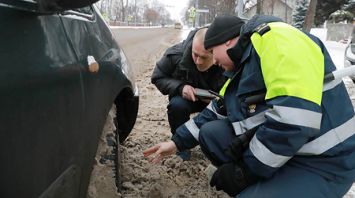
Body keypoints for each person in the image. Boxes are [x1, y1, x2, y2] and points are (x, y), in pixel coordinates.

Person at [144, 15, 355, 197]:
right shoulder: (246, 61)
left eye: (211, 51)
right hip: (292, 148)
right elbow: (217, 109)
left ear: (226, 42)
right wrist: (176, 143)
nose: (213, 62)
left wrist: (243, 173)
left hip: (324, 160)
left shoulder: (279, 40)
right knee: (211, 133)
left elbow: (293, 121)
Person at [151, 28, 227, 160]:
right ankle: (181, 146)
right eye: (195, 54)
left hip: (215, 101)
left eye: (204, 57)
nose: (198, 61)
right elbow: (158, 77)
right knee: (176, 106)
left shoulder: (226, 59)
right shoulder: (175, 55)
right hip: (186, 98)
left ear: (215, 54)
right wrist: (180, 87)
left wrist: (219, 99)